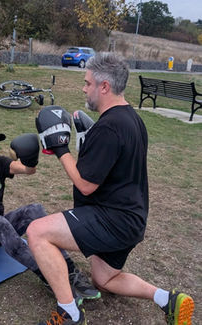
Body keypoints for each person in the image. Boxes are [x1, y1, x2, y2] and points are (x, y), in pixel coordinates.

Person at [28, 52, 195, 325]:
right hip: (132, 219)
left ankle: (68, 312)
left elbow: (85, 184)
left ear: (104, 86)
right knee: (104, 278)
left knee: (37, 232)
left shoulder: (110, 127)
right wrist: (86, 138)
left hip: (112, 219)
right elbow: (111, 165)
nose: (84, 88)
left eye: (88, 82)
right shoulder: (132, 120)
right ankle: (168, 299)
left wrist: (60, 148)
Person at [0, 125, 99, 299]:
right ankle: (49, 276)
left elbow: (28, 170)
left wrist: (30, 160)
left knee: (34, 210)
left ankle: (70, 272)